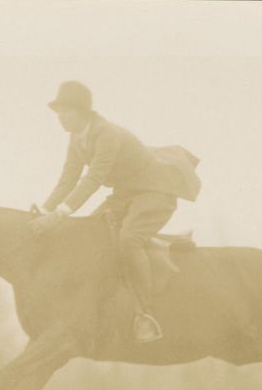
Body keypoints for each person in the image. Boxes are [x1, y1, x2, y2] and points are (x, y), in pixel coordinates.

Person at [31, 81, 201, 344]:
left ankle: (146, 312)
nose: (60, 117)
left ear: (83, 112)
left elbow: (93, 179)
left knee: (128, 239)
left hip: (155, 191)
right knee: (93, 233)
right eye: (58, 111)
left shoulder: (107, 134)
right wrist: (44, 209)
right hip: (128, 193)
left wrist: (58, 215)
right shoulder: (76, 138)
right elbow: (68, 179)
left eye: (66, 111)